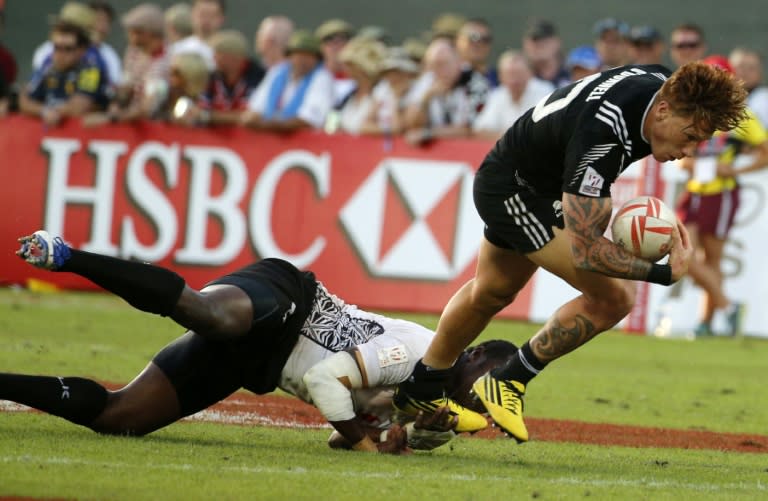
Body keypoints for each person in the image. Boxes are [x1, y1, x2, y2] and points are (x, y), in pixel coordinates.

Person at [392, 61, 748, 442]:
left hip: (533, 176)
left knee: (491, 291)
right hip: (516, 190)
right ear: (662, 110)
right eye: (690, 136)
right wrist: (662, 273)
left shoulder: (666, 86)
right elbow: (586, 252)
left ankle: (421, 390)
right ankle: (508, 379)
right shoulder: (605, 134)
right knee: (614, 298)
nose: (690, 150)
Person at [5, 230, 517, 454]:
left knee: (120, 419)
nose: (479, 400)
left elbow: (342, 434)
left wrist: (393, 434)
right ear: (470, 354)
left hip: (262, 361)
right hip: (289, 298)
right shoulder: (417, 350)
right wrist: (368, 441)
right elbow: (325, 380)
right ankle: (66, 255)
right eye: (484, 385)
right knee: (210, 316)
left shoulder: (432, 404)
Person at [675, 56, 768, 337]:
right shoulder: (694, 114)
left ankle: (705, 324)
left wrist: (736, 170)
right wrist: (708, 165)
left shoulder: (743, 117)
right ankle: (728, 306)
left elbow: (765, 152)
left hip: (721, 194)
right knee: (680, 251)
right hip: (694, 191)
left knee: (712, 259)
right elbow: (683, 160)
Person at [19, 20, 110, 127]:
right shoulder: (48, 67)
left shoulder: (91, 70)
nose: (60, 54)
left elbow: (79, 107)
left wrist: (53, 112)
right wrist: (44, 111)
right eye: (57, 48)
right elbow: (25, 100)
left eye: (68, 49)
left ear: (82, 50)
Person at [241, 30, 333, 133]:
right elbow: (256, 109)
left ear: (317, 59)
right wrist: (252, 120)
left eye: (308, 56)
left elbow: (310, 120)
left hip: (306, 145)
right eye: (298, 54)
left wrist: (268, 126)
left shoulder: (322, 78)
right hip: (271, 139)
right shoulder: (277, 72)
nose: (302, 60)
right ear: (289, 56)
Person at [472, 49, 553, 140]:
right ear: (500, 77)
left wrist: (506, 137)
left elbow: (547, 131)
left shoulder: (544, 91)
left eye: (518, 73)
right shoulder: (497, 95)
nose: (514, 79)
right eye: (509, 74)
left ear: (530, 73)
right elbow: (480, 130)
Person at [729, 47, 768, 127]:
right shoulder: (717, 96)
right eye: (740, 66)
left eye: (751, 68)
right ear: (728, 68)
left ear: (760, 74)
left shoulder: (764, 98)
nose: (745, 72)